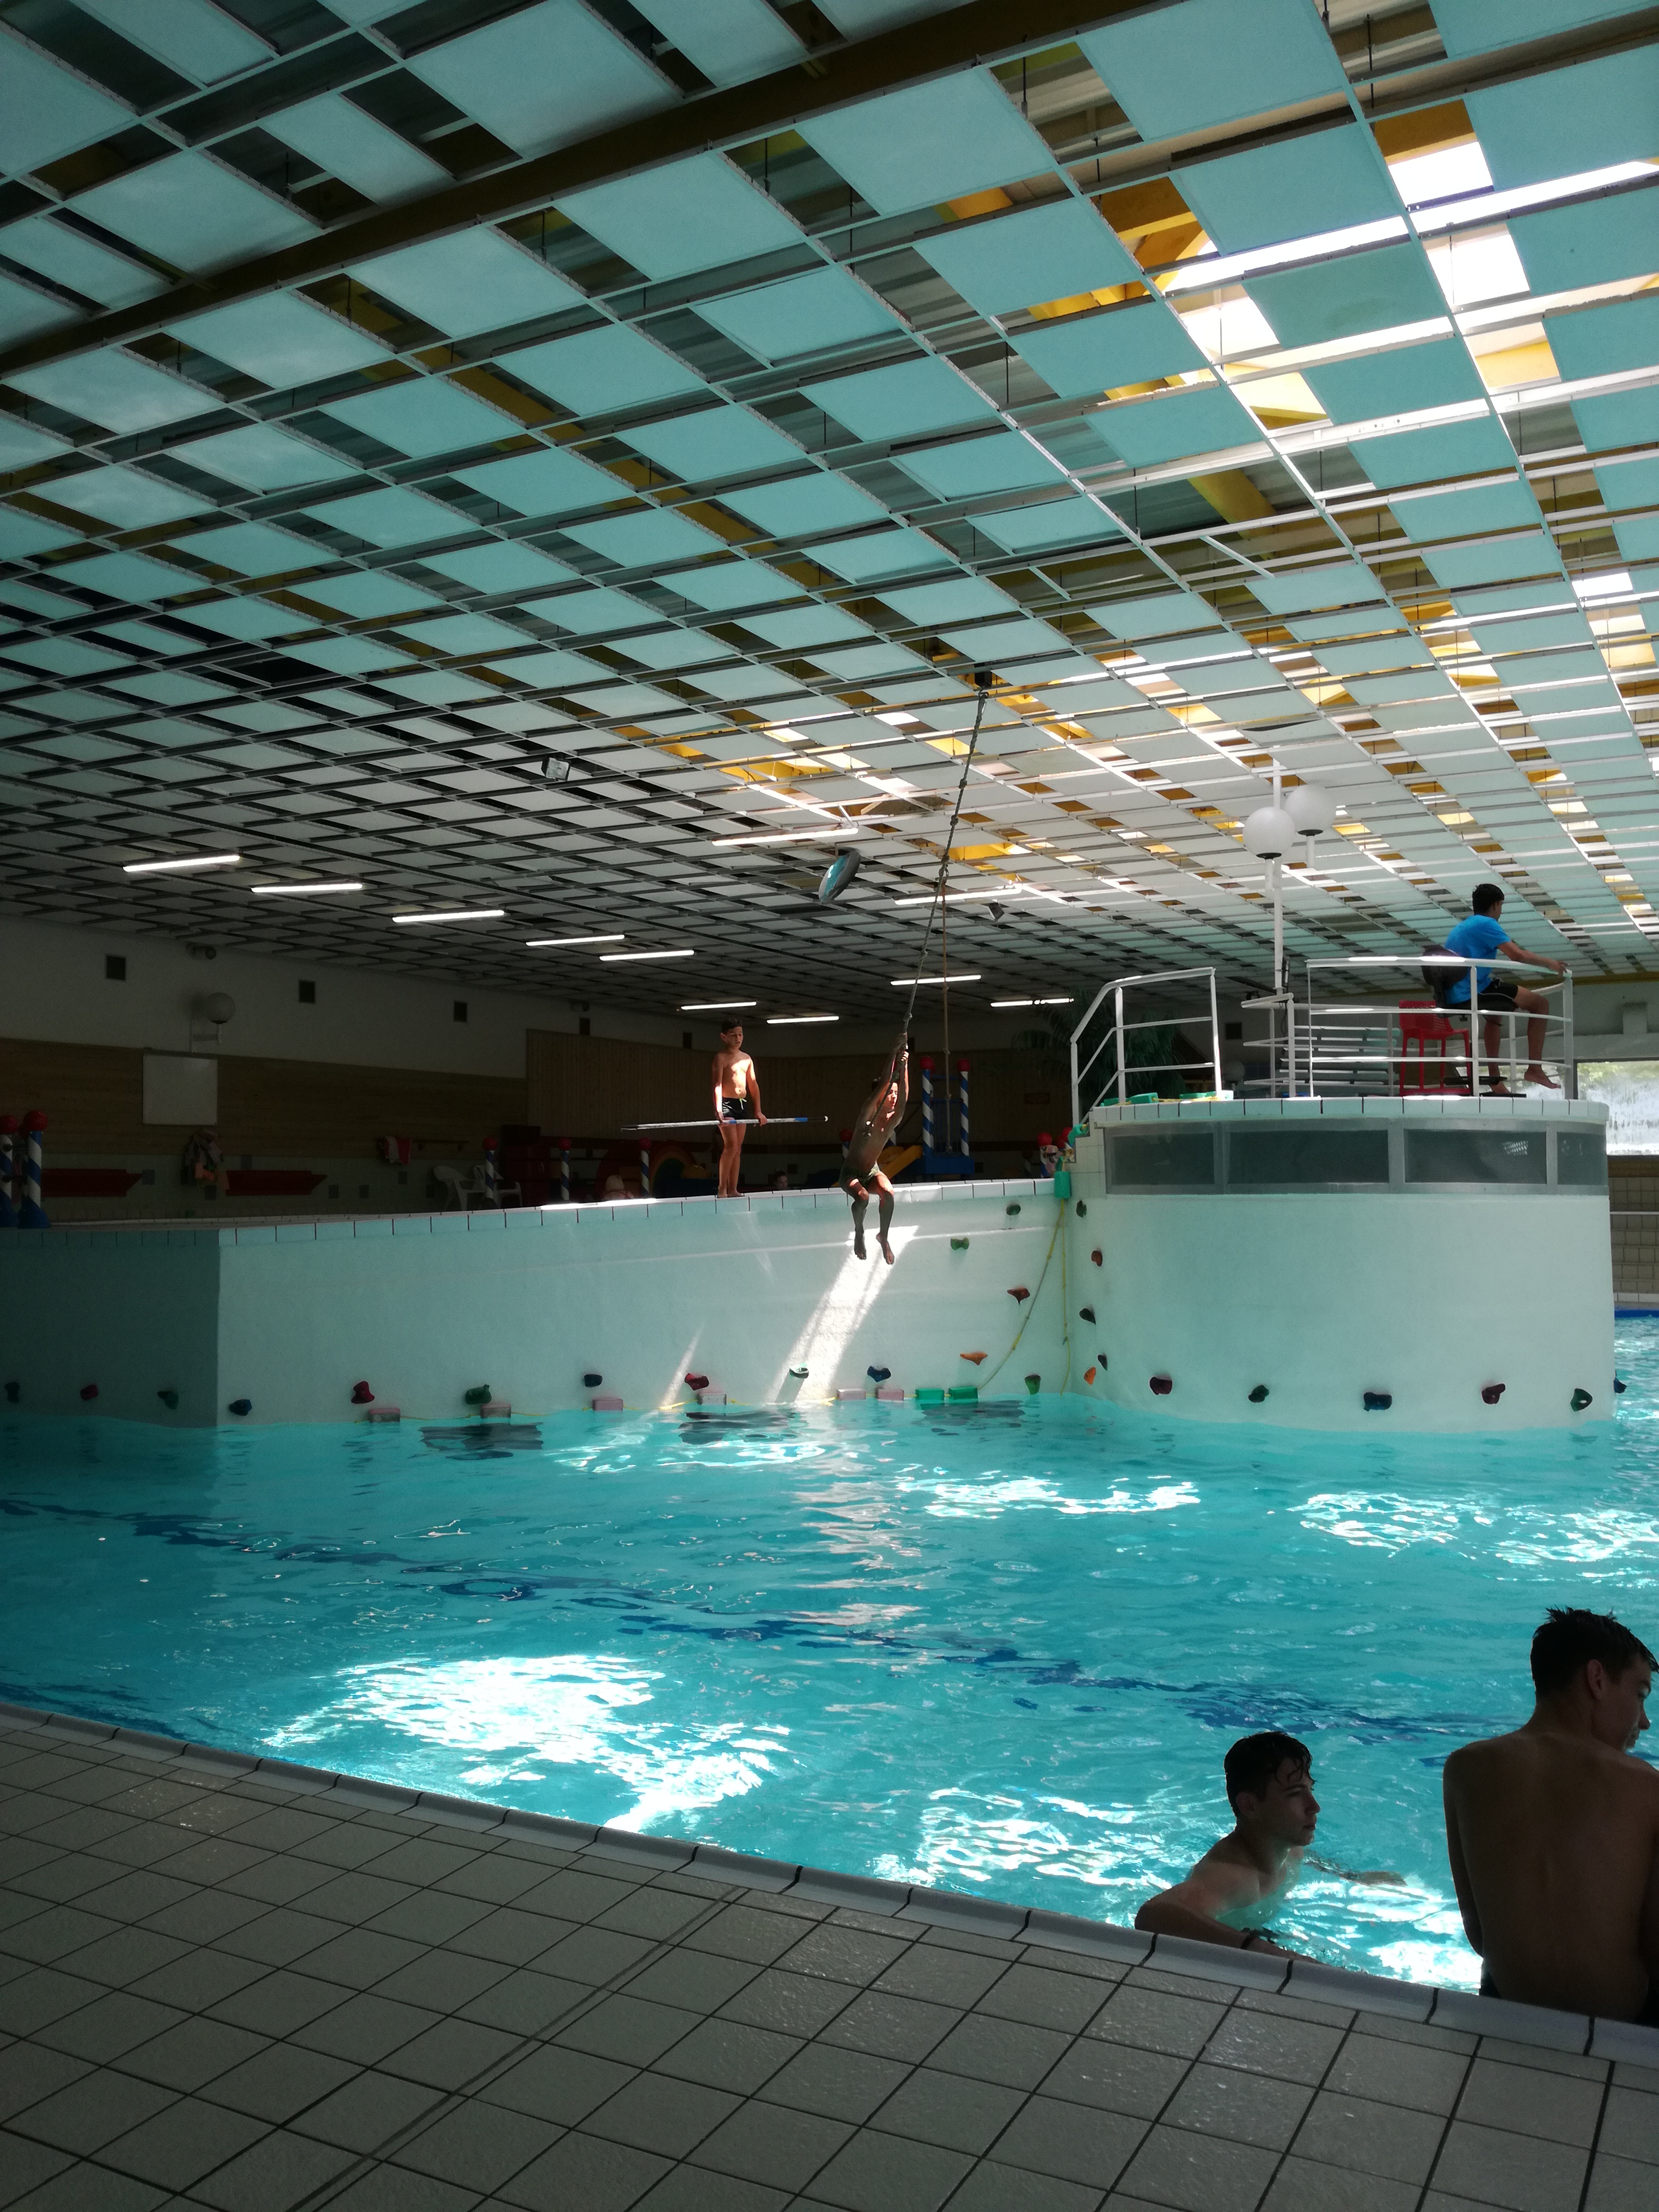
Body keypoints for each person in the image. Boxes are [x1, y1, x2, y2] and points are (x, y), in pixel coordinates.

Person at [1442, 1607, 1659, 2022]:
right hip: (1622, 2030)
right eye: (1641, 1695)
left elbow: (1480, 1935)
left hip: (1507, 2017)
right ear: (1597, 1679)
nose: (1645, 1721)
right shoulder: (1648, 1788)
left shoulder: (1465, 1770)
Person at [1135, 1731, 1404, 1956]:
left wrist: (1354, 1876)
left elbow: (1310, 1858)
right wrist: (1261, 1950)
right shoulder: (1231, 1878)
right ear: (1250, 1805)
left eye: (1310, 1790)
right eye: (1295, 1794)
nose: (1315, 1807)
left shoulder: (1291, 1849)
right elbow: (1153, 1915)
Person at [1440, 883, 1567, 1094]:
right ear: (1495, 905)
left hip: (1460, 990)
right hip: (1471, 990)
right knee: (1540, 1005)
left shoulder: (1464, 926)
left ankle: (1495, 1080)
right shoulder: (1486, 924)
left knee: (1495, 1014)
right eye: (1501, 906)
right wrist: (1550, 963)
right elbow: (1516, 954)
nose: (1501, 912)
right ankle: (1535, 1069)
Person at [842, 1035, 909, 1266]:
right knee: (862, 1198)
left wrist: (905, 1066)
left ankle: (884, 1237)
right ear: (880, 1097)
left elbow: (904, 1100)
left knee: (888, 1193)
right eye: (891, 1093)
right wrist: (893, 1052)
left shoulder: (891, 1121)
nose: (894, 1097)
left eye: (895, 1093)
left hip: (872, 1172)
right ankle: (859, 1232)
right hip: (850, 1173)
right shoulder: (867, 1117)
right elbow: (884, 1083)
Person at [713, 1018, 765, 1198]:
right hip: (726, 1104)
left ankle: (733, 1189)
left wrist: (758, 1111)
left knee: (738, 1148)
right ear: (724, 1037)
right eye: (734, 1035)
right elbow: (717, 1085)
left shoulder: (747, 1058)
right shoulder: (721, 1058)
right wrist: (718, 1109)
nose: (738, 1038)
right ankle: (722, 1188)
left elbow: (754, 1086)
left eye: (740, 1035)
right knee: (731, 1146)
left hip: (742, 1104)